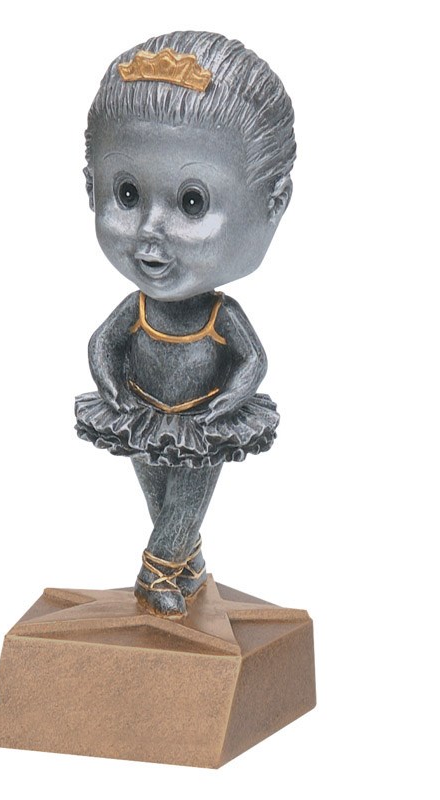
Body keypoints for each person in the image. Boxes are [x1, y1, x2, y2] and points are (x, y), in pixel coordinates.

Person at [75, 31, 296, 617]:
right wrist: (112, 385)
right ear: (90, 186)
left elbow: (252, 359)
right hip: (141, 411)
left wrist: (228, 401)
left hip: (203, 420)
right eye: (127, 194)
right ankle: (186, 561)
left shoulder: (220, 315)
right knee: (159, 495)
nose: (151, 230)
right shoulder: (138, 308)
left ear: (273, 204)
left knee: (188, 495)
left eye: (191, 202)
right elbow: (103, 343)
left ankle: (158, 571)